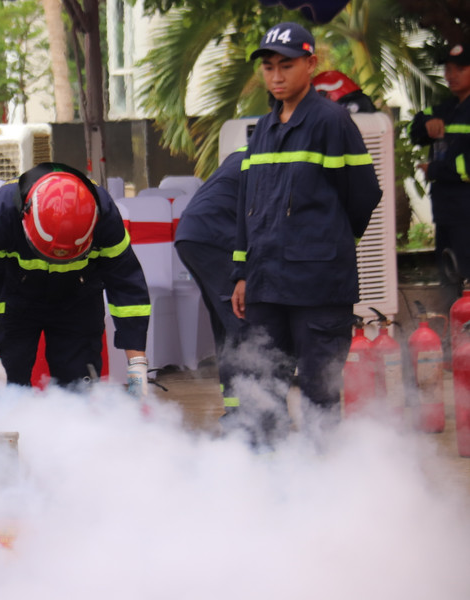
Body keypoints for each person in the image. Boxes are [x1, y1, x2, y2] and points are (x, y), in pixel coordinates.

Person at [229, 22, 382, 446]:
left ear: (310, 64)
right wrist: (242, 273)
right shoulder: (263, 130)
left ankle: (323, 482)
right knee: (264, 385)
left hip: (319, 286)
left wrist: (327, 241)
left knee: (319, 389)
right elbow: (248, 206)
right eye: (269, 67)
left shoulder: (332, 122)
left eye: (287, 65)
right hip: (266, 285)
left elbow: (363, 195)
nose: (276, 76)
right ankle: (274, 480)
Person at [0, 163, 151, 394]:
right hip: (16, 299)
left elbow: (126, 285)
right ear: (25, 218)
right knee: (9, 391)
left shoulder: (104, 214)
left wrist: (136, 363)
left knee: (80, 392)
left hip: (78, 299)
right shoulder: (1, 213)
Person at [174, 149, 247, 418]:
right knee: (243, 322)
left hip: (191, 235)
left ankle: (235, 407)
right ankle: (247, 411)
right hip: (216, 237)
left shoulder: (242, 155)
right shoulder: (269, 159)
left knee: (227, 327)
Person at [409, 39, 470, 285]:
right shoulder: (446, 108)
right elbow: (416, 128)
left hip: (466, 213)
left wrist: (434, 169)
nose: (451, 75)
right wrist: (425, 125)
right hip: (446, 212)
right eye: (448, 69)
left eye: (461, 69)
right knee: (450, 277)